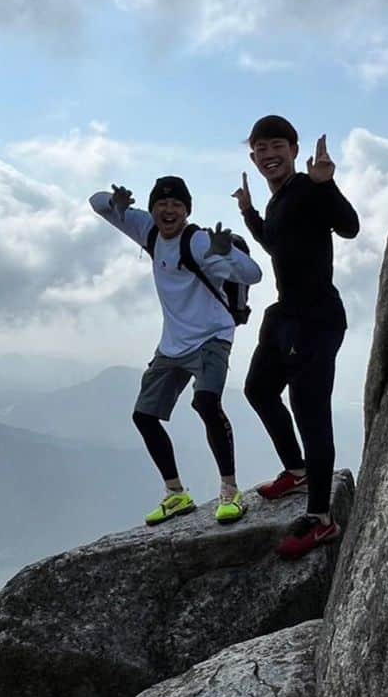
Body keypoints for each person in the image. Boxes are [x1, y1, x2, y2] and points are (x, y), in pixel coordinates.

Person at [90, 176, 262, 528]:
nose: (168, 211)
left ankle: (230, 491)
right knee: (144, 415)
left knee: (206, 402)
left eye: (177, 206)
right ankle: (176, 494)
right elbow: (95, 201)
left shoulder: (199, 242)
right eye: (162, 205)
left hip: (213, 336)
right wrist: (116, 203)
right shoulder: (146, 228)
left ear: (187, 211)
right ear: (152, 208)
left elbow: (254, 274)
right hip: (173, 343)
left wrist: (226, 251)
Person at [234, 117, 359, 558]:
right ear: (253, 156)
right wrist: (249, 213)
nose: (269, 154)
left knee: (309, 409)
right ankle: (297, 469)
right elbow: (275, 245)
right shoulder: (279, 200)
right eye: (260, 148)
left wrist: (327, 184)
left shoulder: (307, 188)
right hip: (286, 314)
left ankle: (320, 518)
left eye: (277, 146)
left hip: (317, 318)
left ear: (293, 148)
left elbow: (349, 227)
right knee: (259, 390)